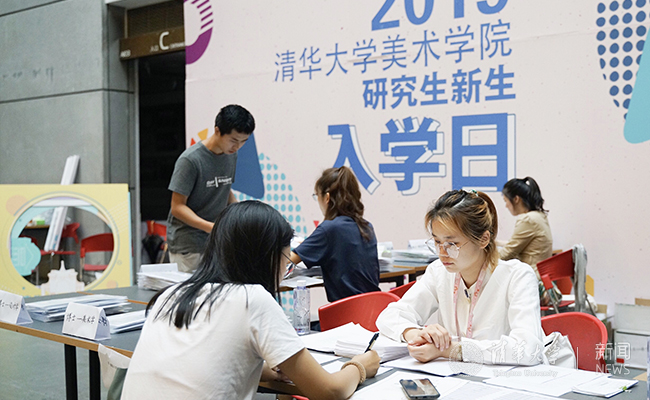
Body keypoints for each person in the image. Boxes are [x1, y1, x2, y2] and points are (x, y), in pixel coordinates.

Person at [122, 201, 380, 400]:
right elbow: (330, 391)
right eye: (286, 261)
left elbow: (197, 367)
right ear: (266, 258)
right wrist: (360, 365)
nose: (285, 270)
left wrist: (268, 369)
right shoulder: (252, 299)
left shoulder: (171, 295)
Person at [375, 190, 546, 366]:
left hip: (506, 378)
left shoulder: (518, 276)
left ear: (483, 239)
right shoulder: (438, 272)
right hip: (453, 376)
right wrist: (416, 334)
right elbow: (390, 316)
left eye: (452, 244)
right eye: (437, 242)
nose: (442, 253)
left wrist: (451, 350)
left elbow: (527, 349)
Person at [166, 104, 255, 272]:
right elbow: (177, 207)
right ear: (217, 131)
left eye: (243, 142)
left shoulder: (231, 155)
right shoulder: (191, 160)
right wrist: (211, 227)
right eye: (233, 140)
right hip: (189, 246)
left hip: (215, 243)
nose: (237, 147)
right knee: (192, 289)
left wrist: (239, 215)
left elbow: (224, 187)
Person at [290, 166, 380, 303]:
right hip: (373, 307)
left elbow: (287, 261)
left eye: (317, 196)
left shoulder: (329, 229)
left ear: (327, 197)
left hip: (344, 311)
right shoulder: (367, 227)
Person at [499, 177, 553, 279]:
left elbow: (506, 254)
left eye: (506, 201)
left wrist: (482, 255)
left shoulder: (528, 219)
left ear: (516, 199)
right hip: (540, 276)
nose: (506, 206)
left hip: (530, 277)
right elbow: (516, 245)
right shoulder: (539, 216)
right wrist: (495, 243)